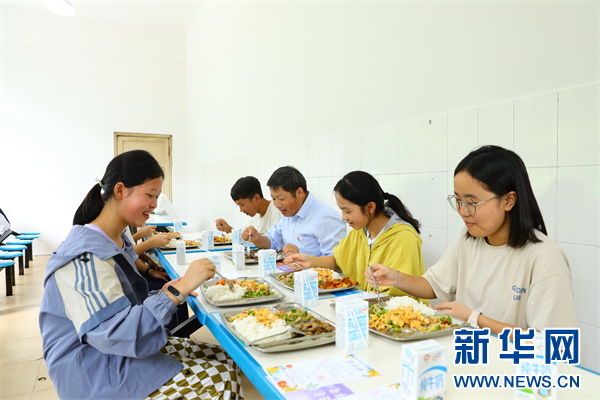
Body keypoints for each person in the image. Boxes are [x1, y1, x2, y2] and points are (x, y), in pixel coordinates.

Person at [39, 150, 242, 400]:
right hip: (95, 371)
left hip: (116, 352)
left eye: (157, 196)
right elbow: (119, 335)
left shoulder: (115, 240)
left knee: (226, 359)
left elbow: (121, 307)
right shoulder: (85, 258)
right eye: (150, 195)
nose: (155, 204)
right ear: (120, 190)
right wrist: (176, 291)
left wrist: (168, 291)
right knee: (220, 378)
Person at [366, 145, 578, 334]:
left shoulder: (544, 257)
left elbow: (555, 346)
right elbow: (435, 284)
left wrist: (473, 318)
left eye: (471, 203)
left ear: (508, 200)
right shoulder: (468, 240)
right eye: (458, 200)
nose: (462, 211)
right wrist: (395, 278)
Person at [284, 171, 426, 299]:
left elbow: (396, 293)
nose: (343, 217)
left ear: (370, 207)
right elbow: (338, 260)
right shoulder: (360, 232)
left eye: (347, 211)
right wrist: (310, 261)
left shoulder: (403, 238)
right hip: (362, 305)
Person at [243, 166, 346, 257]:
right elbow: (273, 240)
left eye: (281, 199)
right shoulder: (289, 212)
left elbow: (336, 261)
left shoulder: (326, 218)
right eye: (273, 199)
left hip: (316, 273)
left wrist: (302, 257)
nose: (277, 205)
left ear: (299, 192)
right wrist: (257, 238)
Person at [214, 176, 281, 235]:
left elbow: (276, 242)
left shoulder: (277, 210)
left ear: (256, 198)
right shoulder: (255, 214)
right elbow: (244, 237)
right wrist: (228, 230)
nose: (241, 210)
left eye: (242, 205)